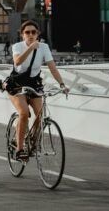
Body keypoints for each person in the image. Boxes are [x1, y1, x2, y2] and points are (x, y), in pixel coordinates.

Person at [6, 20, 68, 160]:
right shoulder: (18, 46)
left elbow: (52, 68)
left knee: (40, 114)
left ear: (38, 34)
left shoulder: (44, 47)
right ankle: (20, 149)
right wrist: (30, 48)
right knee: (23, 113)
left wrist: (62, 84)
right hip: (17, 84)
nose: (31, 35)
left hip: (34, 83)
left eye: (34, 32)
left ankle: (33, 141)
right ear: (22, 35)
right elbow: (17, 62)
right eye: (27, 32)